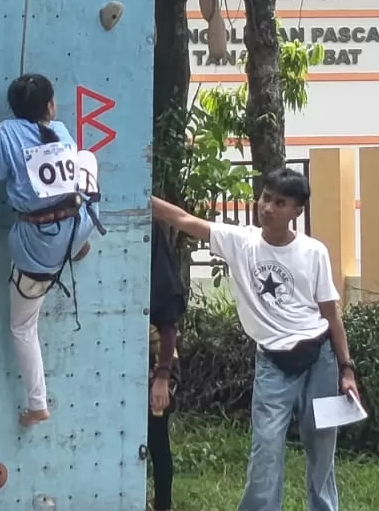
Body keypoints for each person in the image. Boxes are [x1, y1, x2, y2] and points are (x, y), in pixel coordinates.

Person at [150, 168, 358, 511]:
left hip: (318, 359)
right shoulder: (241, 242)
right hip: (272, 364)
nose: (268, 207)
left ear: (297, 211)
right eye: (265, 197)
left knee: (322, 447)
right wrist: (138, 195)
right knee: (265, 448)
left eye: (280, 202)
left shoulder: (313, 252)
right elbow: (185, 219)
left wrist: (346, 369)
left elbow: (331, 315)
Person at [0, 73, 100, 428]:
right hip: (79, 223)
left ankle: (37, 404)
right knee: (88, 157)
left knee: (22, 328)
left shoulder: (6, 134)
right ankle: (78, 245)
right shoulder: (60, 130)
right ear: (49, 106)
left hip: (40, 249)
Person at [148, 220, 188, 511]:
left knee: (157, 441)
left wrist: (162, 377)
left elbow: (169, 324)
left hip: (155, 365)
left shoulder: (153, 246)